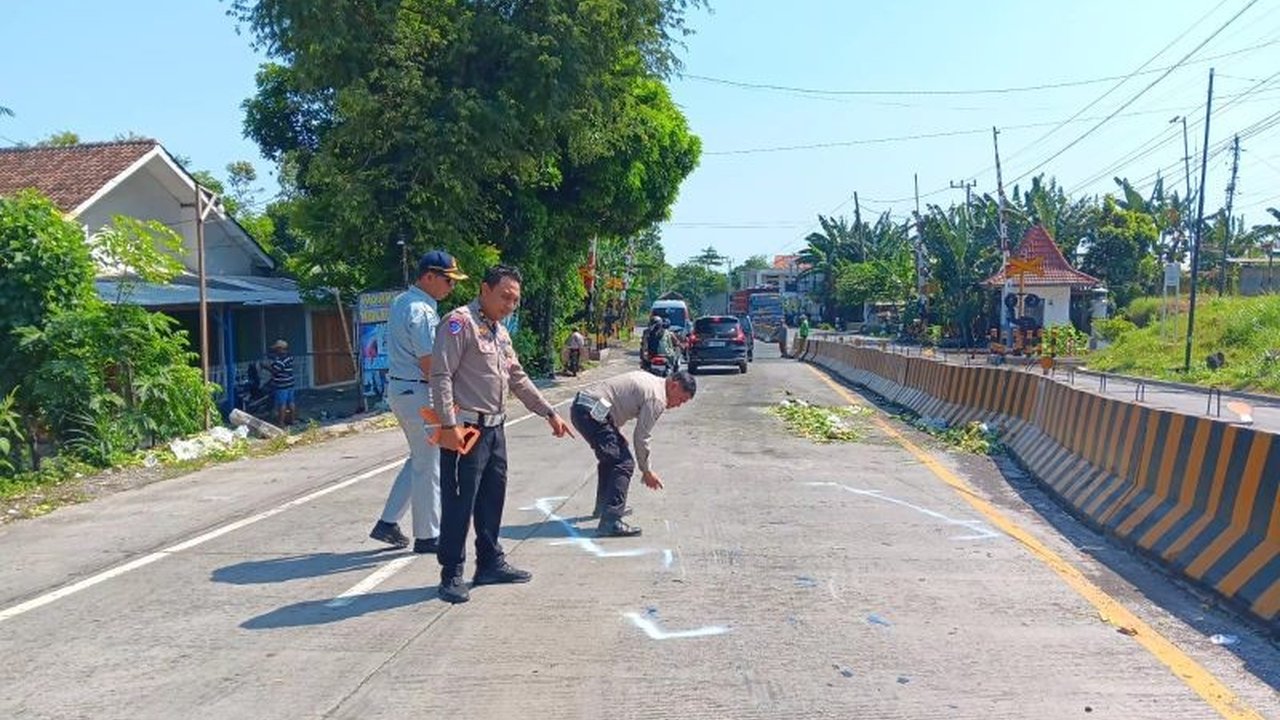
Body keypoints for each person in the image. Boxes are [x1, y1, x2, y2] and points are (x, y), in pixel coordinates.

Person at [431, 264, 574, 604]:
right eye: (505, 297)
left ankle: (490, 563)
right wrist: (448, 425)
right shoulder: (458, 323)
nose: (510, 305)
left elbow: (518, 378)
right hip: (463, 429)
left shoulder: (499, 331)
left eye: (515, 299)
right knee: (458, 503)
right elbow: (441, 376)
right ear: (484, 289)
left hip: (495, 429)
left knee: (492, 498)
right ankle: (451, 573)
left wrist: (549, 412)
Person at [368, 250, 466, 553]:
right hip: (419, 390)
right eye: (448, 280)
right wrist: (447, 400)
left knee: (420, 460)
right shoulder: (422, 311)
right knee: (430, 465)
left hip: (403, 391)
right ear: (428, 277)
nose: (451, 287)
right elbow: (429, 364)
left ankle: (388, 523)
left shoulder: (403, 302)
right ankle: (428, 536)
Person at [572, 370, 696, 536]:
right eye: (681, 399)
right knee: (623, 462)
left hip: (584, 406)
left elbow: (612, 400)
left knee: (612, 456)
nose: (678, 404)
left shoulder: (652, 381)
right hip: (591, 410)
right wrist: (646, 470)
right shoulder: (657, 398)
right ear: (674, 385)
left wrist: (615, 432)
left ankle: (604, 508)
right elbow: (641, 437)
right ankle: (611, 521)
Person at [266, 340, 295, 427]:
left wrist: (265, 366)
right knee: (291, 402)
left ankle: (281, 423)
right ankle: (292, 420)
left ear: (281, 349)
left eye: (276, 349)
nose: (275, 351)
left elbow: (275, 370)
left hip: (282, 385)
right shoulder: (290, 357)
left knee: (282, 404)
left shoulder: (281, 360)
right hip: (290, 383)